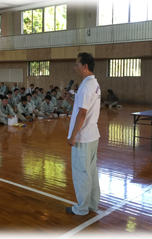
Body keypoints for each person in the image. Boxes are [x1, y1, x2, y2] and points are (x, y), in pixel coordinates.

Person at [63, 52, 101, 216]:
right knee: (91, 171)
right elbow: (82, 107)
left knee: (81, 173)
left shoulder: (86, 86)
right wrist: (70, 100)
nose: (74, 68)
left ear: (85, 66)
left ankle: (82, 208)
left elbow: (83, 114)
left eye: (77, 65)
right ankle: (92, 204)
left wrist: (73, 136)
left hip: (83, 137)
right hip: (92, 136)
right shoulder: (94, 84)